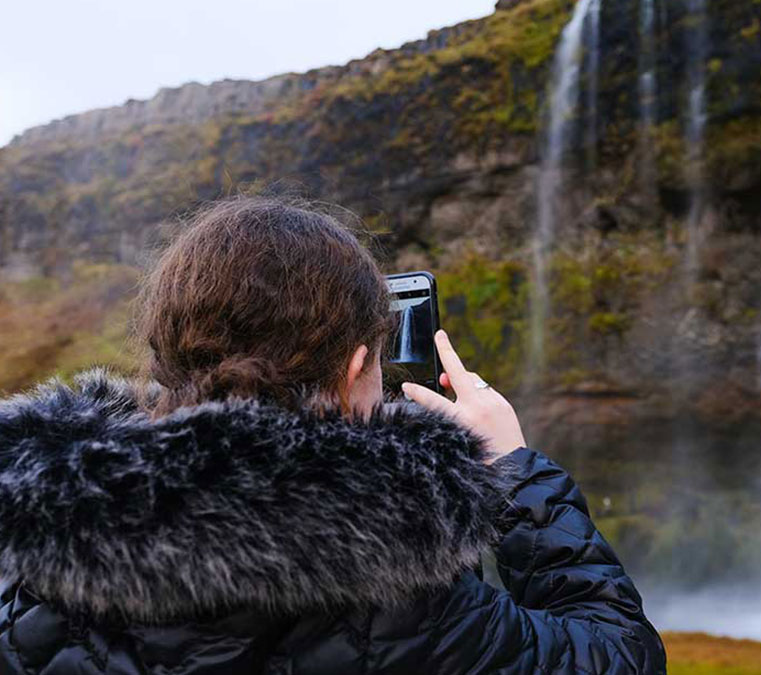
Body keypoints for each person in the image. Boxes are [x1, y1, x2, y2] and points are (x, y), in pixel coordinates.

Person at [0, 197, 666, 674]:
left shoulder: (25, 566)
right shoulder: (406, 605)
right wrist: (515, 469)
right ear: (353, 370)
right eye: (375, 361)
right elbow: (618, 653)